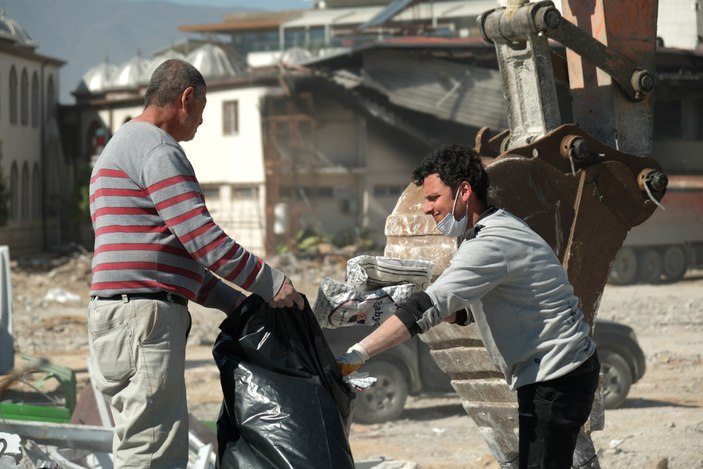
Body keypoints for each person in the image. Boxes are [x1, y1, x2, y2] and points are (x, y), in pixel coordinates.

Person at [88, 58, 304, 468]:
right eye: (201, 113)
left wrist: (235, 304)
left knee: (144, 444)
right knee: (152, 453)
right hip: (143, 319)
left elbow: (169, 258)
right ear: (186, 99)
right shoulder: (156, 148)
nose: (200, 126)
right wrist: (271, 283)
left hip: (119, 317)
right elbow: (204, 241)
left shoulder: (118, 149)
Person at [337, 144, 600, 468]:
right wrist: (400, 301)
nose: (425, 208)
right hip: (564, 369)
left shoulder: (489, 244)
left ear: (463, 191)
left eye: (433, 198)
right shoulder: (493, 228)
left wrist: (357, 354)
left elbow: (426, 308)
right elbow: (465, 311)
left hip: (557, 374)